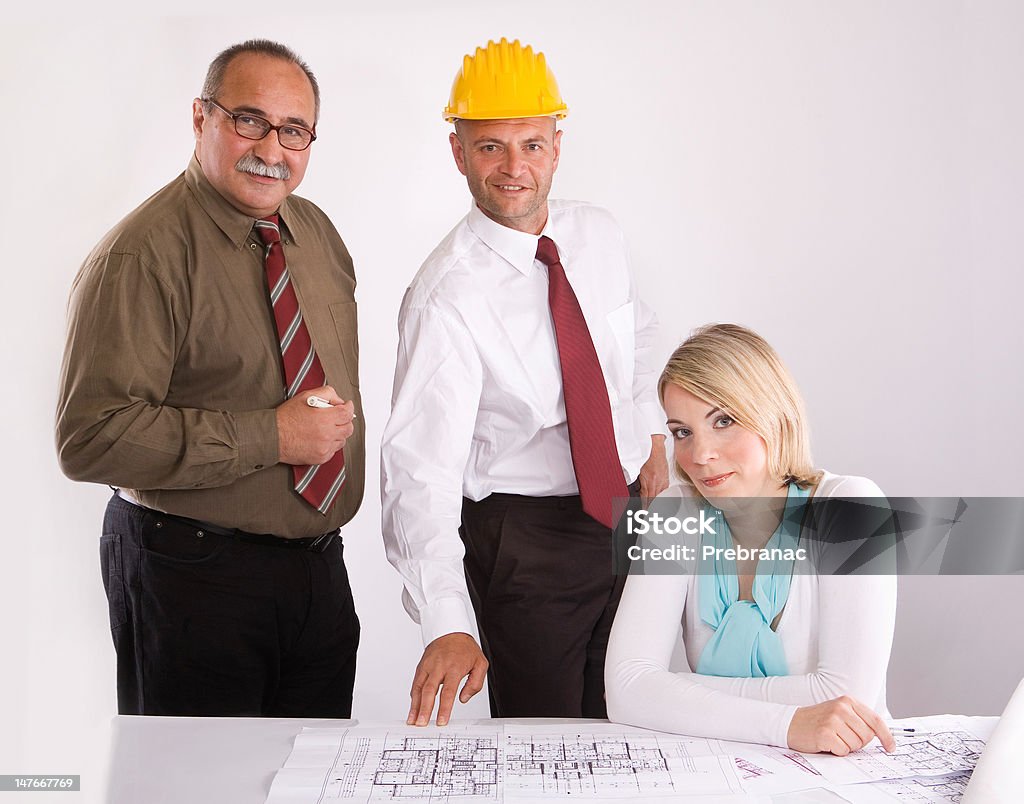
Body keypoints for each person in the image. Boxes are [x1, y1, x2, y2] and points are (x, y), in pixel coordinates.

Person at [55, 39, 364, 718]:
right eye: (248, 120)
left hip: (318, 573)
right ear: (202, 120)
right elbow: (89, 438)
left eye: (294, 131)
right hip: (192, 577)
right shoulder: (141, 256)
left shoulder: (316, 234)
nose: (272, 149)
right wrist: (270, 437)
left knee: (310, 781)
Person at [380, 37, 669, 726]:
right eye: (490, 147)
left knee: (632, 716)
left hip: (626, 516)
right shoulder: (446, 296)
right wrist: (447, 621)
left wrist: (647, 430)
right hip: (525, 541)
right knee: (548, 743)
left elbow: (637, 337)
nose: (515, 168)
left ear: (557, 145)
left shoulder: (597, 234)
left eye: (532, 145)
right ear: (457, 151)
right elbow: (418, 473)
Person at [605, 323, 898, 756]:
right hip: (713, 770)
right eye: (682, 431)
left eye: (724, 421)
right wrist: (789, 723)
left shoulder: (851, 506)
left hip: (841, 775)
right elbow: (626, 689)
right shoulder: (676, 511)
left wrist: (674, 692)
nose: (700, 455)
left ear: (774, 413)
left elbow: (849, 700)